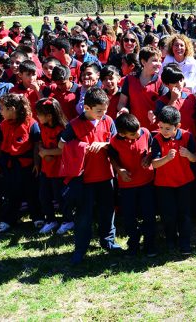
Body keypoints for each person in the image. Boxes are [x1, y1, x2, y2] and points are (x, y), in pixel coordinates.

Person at [59, 87, 120, 264]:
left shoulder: (108, 121)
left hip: (105, 175)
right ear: (87, 108)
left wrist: (103, 144)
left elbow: (116, 143)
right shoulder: (74, 125)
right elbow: (62, 145)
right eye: (99, 111)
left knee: (107, 210)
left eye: (105, 110)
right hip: (84, 178)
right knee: (84, 215)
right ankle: (80, 248)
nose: (103, 114)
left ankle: (108, 241)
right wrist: (83, 147)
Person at [150, 106, 196, 255]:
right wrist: (167, 158)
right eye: (161, 127)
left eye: (168, 128)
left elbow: (195, 158)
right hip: (164, 184)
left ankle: (185, 243)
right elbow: (154, 163)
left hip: (184, 182)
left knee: (184, 214)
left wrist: (188, 154)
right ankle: (170, 240)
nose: (164, 131)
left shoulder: (187, 136)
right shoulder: (157, 139)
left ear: (178, 126)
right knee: (168, 215)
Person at [108, 113, 156, 257]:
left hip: (147, 182)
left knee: (149, 215)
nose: (137, 134)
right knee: (129, 217)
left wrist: (149, 157)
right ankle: (133, 244)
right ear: (122, 134)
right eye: (132, 134)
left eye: (138, 130)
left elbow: (154, 148)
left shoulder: (145, 133)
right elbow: (112, 158)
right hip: (127, 185)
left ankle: (149, 244)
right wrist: (119, 170)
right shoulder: (115, 142)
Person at [0, 93, 42, 233]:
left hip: (27, 163)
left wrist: (37, 162)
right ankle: (8, 219)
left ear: (13, 109)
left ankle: (37, 217)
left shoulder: (31, 123)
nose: (0, 111)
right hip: (9, 163)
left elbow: (36, 143)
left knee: (31, 191)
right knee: (11, 192)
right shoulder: (3, 124)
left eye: (2, 108)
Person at [34, 97, 69, 235]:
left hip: (59, 169)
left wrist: (47, 153)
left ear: (49, 116)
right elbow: (40, 142)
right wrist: (42, 152)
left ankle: (68, 220)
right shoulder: (42, 126)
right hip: (46, 168)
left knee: (60, 196)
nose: (37, 116)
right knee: (44, 195)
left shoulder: (62, 129)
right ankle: (50, 220)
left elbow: (63, 149)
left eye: (39, 114)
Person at [117, 46, 167, 131]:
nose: (159, 64)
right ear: (143, 62)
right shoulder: (129, 79)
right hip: (134, 130)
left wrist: (155, 113)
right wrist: (123, 109)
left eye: (160, 60)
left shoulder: (161, 82)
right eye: (154, 60)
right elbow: (121, 103)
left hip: (155, 131)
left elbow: (166, 106)